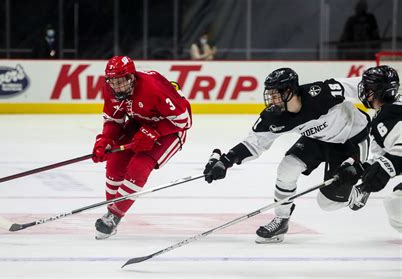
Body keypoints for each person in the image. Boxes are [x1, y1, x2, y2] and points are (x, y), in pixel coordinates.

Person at [204, 67, 371, 243]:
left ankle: (358, 194)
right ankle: (282, 220)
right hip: (318, 139)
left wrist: (386, 97)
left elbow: (360, 84)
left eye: (276, 95)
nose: (272, 100)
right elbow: (254, 143)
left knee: (328, 203)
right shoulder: (274, 116)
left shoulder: (319, 93)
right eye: (270, 94)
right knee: (287, 168)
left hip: (352, 139)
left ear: (290, 91)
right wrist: (225, 161)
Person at [91, 56, 192, 240]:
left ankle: (114, 216)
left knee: (138, 166)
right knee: (114, 162)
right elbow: (114, 121)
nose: (117, 87)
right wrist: (105, 140)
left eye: (121, 81)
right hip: (140, 123)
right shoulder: (110, 89)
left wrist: (155, 132)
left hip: (170, 130)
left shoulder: (152, 88)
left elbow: (184, 120)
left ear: (132, 77)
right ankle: (112, 211)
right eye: (113, 81)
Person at [343, 65, 401, 232]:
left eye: (368, 88)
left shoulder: (389, 114)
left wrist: (380, 172)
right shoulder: (390, 111)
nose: (364, 92)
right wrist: (360, 170)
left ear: (377, 92)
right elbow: (386, 155)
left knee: (396, 204)